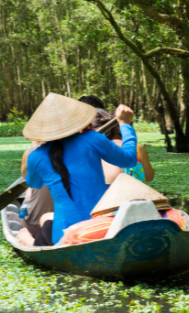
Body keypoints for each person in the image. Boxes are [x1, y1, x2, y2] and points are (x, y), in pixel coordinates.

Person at [17, 93, 137, 247]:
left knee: (47, 222)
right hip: (102, 228)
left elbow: (34, 183)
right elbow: (130, 159)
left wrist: (33, 156)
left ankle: (31, 242)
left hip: (65, 235)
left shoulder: (35, 156)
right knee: (49, 221)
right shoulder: (93, 138)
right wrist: (125, 124)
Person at [92, 109, 155, 184]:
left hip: (105, 193)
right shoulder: (139, 149)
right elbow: (149, 177)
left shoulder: (99, 147)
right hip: (134, 193)